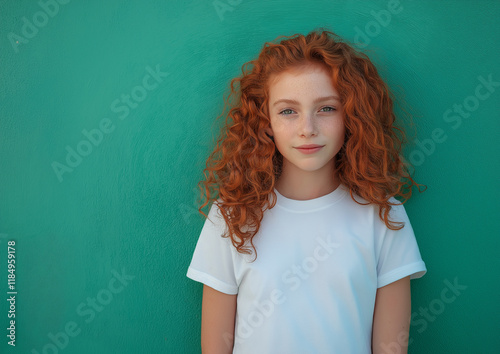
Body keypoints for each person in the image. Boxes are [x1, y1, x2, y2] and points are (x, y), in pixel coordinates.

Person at [186, 28, 427, 354]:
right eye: (288, 111)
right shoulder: (230, 217)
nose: (307, 128)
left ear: (350, 116)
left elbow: (390, 349)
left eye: (327, 108)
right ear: (266, 122)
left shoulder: (384, 216)